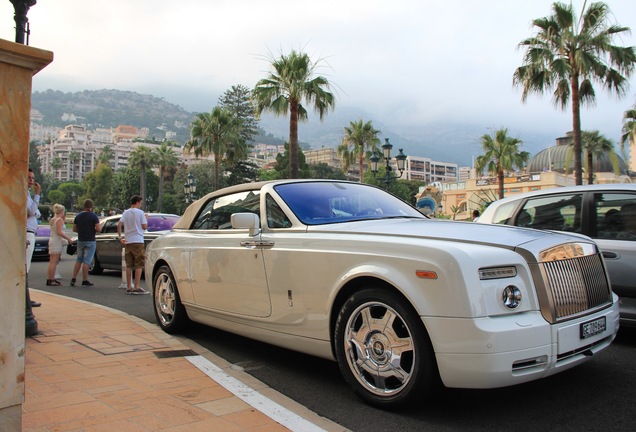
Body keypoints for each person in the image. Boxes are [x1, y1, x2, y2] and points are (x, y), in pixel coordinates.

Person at [118, 195, 149, 295]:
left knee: (129, 265)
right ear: (137, 202)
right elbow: (144, 227)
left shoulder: (126, 212)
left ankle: (128, 286)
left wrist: (120, 237)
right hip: (138, 240)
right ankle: (136, 286)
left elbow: (119, 224)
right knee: (139, 264)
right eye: (140, 203)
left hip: (128, 241)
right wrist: (146, 219)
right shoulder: (140, 213)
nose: (141, 205)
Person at [70, 199, 101, 286]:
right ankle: (85, 280)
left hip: (81, 240)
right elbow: (98, 229)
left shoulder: (78, 216)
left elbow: (74, 229)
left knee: (78, 260)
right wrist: (92, 230)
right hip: (90, 240)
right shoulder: (93, 216)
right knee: (87, 261)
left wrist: (81, 231)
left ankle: (73, 278)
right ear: (91, 207)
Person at [46, 204, 74, 286]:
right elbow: (59, 232)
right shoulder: (59, 220)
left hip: (52, 239)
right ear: (62, 211)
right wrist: (68, 239)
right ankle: (51, 279)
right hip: (57, 241)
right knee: (54, 261)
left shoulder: (53, 219)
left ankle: (50, 278)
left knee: (52, 260)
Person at [26, 168, 42, 307]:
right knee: (25, 267)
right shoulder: (25, 195)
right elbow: (32, 211)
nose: (32, 181)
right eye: (29, 178)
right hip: (27, 233)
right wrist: (37, 195)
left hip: (30, 232)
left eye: (32, 178)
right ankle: (25, 298)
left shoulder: (27, 195)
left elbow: (36, 212)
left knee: (27, 267)